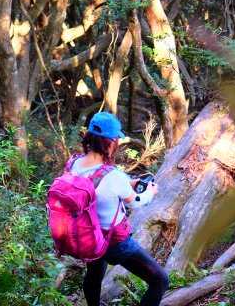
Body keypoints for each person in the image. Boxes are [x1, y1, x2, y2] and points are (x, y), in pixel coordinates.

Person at [69, 112, 169, 306]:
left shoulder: (74, 164)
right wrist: (151, 191)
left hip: (88, 234)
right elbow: (136, 202)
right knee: (160, 280)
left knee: (95, 272)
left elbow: (96, 186)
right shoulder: (114, 176)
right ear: (111, 141)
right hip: (113, 241)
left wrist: (128, 183)